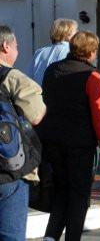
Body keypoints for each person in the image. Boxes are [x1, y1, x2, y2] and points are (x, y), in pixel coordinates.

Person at [38, 31, 100, 241]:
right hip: (79, 144)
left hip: (52, 140)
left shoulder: (52, 70)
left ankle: (50, 236)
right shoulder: (91, 76)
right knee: (80, 194)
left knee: (62, 189)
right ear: (91, 52)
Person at [0, 25, 46, 240]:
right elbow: (36, 115)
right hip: (9, 172)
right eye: (16, 46)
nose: (17, 51)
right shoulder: (12, 77)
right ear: (5, 46)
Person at [27, 18, 77, 84]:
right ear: (67, 34)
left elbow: (29, 78)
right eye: (75, 31)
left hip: (40, 92)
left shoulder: (40, 52)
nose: (77, 33)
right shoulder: (72, 52)